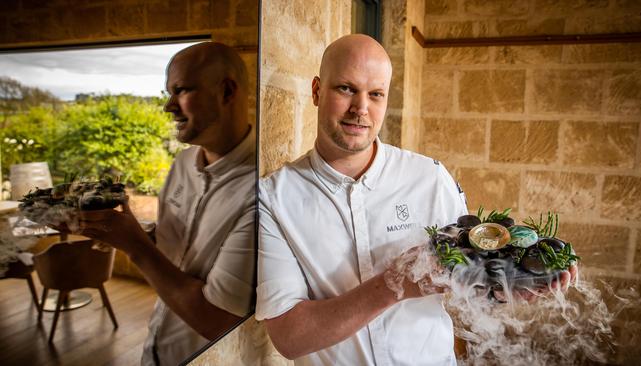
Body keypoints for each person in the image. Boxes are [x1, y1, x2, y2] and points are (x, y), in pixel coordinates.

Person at [256, 34, 576, 366]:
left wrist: (507, 288)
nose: (360, 109)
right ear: (317, 91)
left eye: (375, 94)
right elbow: (290, 337)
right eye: (346, 89)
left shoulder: (430, 178)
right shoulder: (273, 198)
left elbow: (468, 279)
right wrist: (393, 286)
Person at [72, 42, 256, 366]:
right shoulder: (183, 163)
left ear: (227, 92)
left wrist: (134, 246)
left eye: (181, 90)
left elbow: (218, 320)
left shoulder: (261, 191)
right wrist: (116, 228)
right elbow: (175, 244)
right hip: (154, 350)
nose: (168, 106)